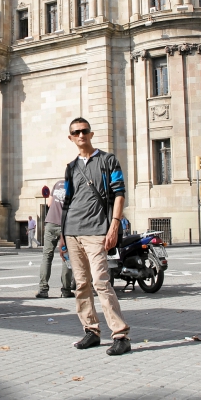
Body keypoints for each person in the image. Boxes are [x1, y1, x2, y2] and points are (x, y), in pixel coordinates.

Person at [58, 117, 131, 356]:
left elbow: (119, 195)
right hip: (72, 232)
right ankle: (91, 331)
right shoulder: (70, 167)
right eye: (76, 133)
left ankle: (120, 335)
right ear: (71, 138)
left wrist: (114, 227)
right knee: (81, 285)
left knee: (101, 282)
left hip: (97, 231)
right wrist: (62, 235)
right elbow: (67, 202)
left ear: (91, 134)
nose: (81, 135)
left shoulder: (108, 160)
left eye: (84, 131)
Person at [35, 180, 75, 299]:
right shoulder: (75, 187)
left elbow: (49, 204)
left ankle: (43, 290)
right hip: (66, 225)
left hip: (51, 223)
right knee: (66, 257)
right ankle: (66, 290)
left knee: (47, 256)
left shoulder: (58, 184)